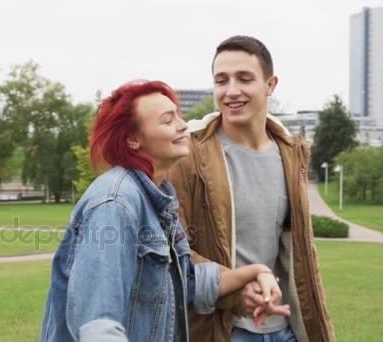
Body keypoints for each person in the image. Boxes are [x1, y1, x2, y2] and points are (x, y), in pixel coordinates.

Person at [40, 80, 289, 342]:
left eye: (179, 115)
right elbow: (97, 322)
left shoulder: (158, 199)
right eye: (168, 120)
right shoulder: (115, 203)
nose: (183, 125)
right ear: (133, 139)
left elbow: (185, 282)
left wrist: (256, 271)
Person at [168, 35, 335, 341]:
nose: (231, 91)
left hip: (286, 329)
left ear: (270, 85)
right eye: (221, 80)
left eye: (244, 78)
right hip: (225, 330)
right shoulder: (188, 155)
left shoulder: (290, 152)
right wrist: (233, 293)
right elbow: (170, 251)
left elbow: (299, 254)